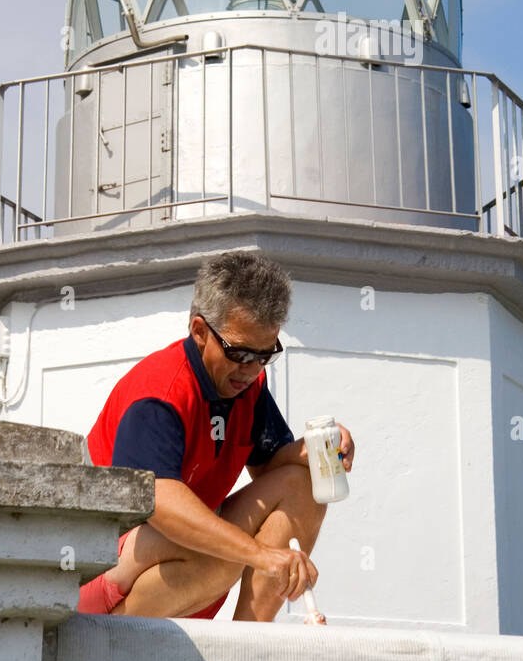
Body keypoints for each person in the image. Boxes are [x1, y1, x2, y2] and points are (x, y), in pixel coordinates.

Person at [77, 250, 355, 621]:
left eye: (265, 354)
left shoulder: (247, 383)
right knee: (221, 553)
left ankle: (248, 641)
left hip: (186, 573)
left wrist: (314, 450)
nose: (252, 369)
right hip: (95, 575)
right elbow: (160, 503)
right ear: (199, 332)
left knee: (303, 484)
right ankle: (111, 642)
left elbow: (271, 469)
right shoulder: (160, 393)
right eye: (240, 353)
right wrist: (258, 555)